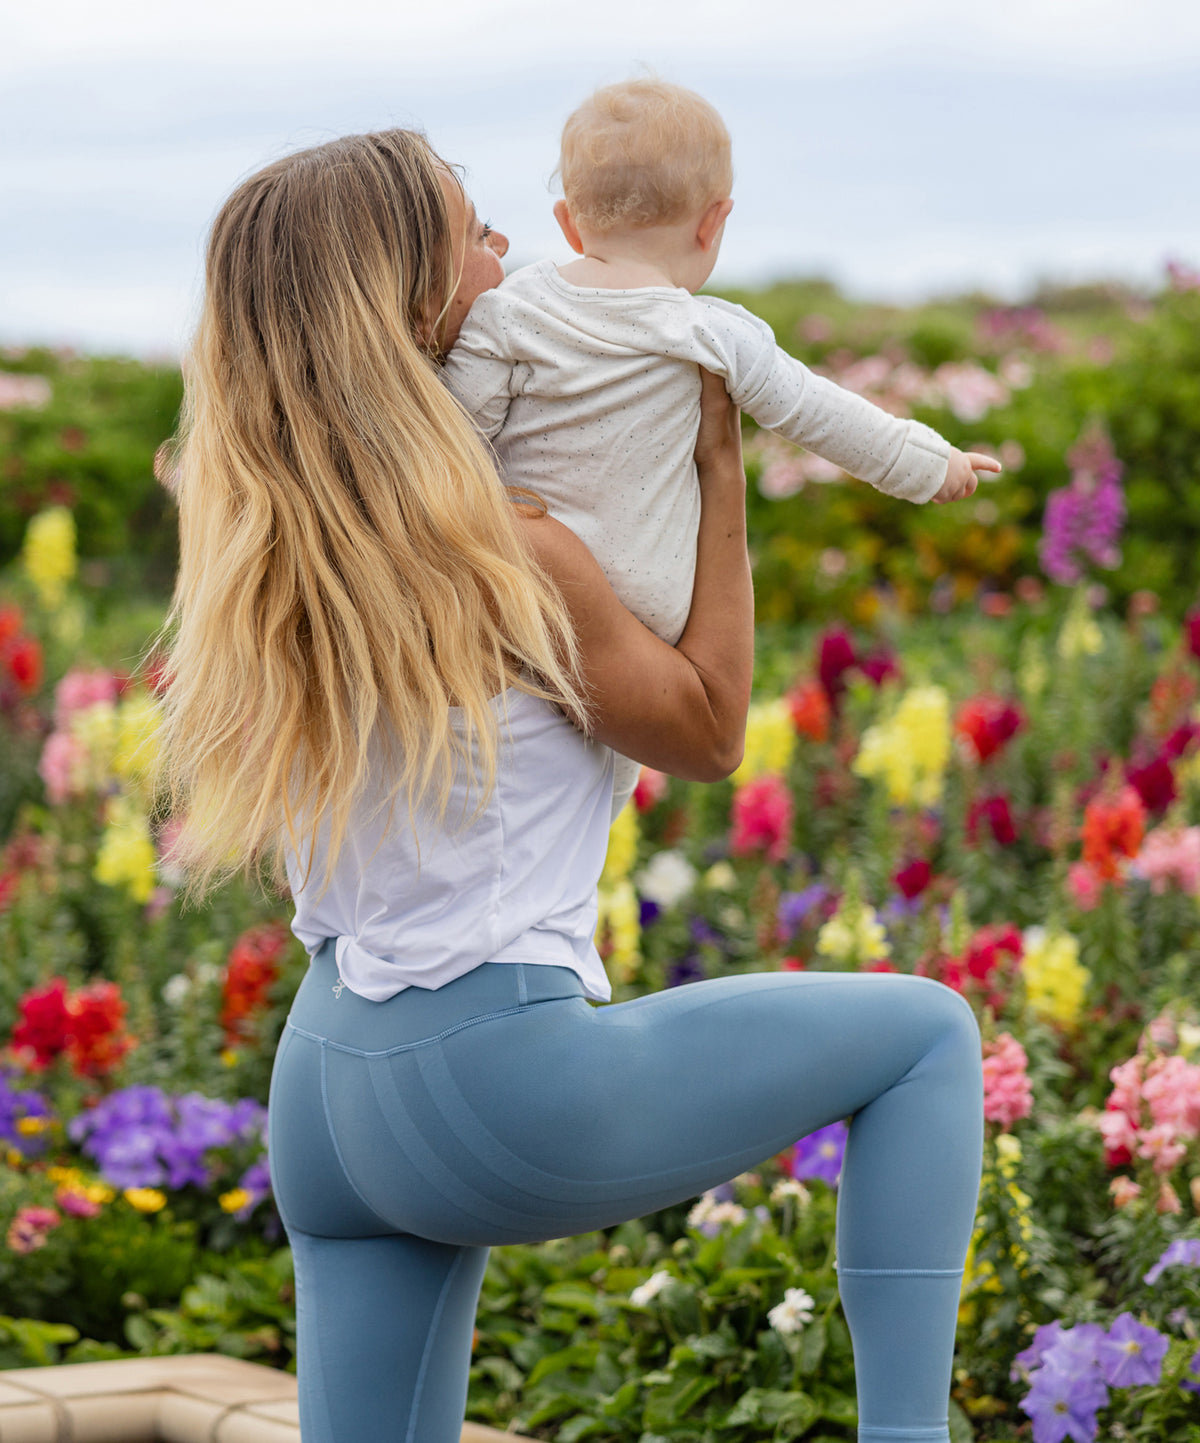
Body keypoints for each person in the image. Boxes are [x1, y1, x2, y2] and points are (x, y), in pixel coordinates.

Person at [158, 128, 983, 1443]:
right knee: (927, 1033)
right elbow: (710, 729)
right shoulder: (512, 552)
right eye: (479, 233)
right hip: (489, 1074)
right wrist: (716, 471)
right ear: (419, 300)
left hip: (328, 1084)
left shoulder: (280, 534)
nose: (516, 253)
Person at [443, 77, 1001, 807]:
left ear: (568, 223)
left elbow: (456, 437)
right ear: (714, 223)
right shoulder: (710, 333)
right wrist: (936, 466)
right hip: (652, 619)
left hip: (525, 590)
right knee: (601, 765)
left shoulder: (506, 315)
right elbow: (825, 414)